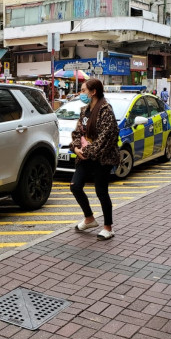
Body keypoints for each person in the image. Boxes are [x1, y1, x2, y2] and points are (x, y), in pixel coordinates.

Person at [69, 79, 120, 241]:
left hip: (102, 158)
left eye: (83, 90)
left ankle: (108, 228)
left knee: (101, 191)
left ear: (93, 92)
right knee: (75, 186)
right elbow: (78, 132)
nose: (81, 94)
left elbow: (106, 138)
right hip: (85, 155)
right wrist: (76, 148)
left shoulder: (106, 110)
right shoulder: (84, 110)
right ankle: (89, 218)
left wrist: (87, 152)